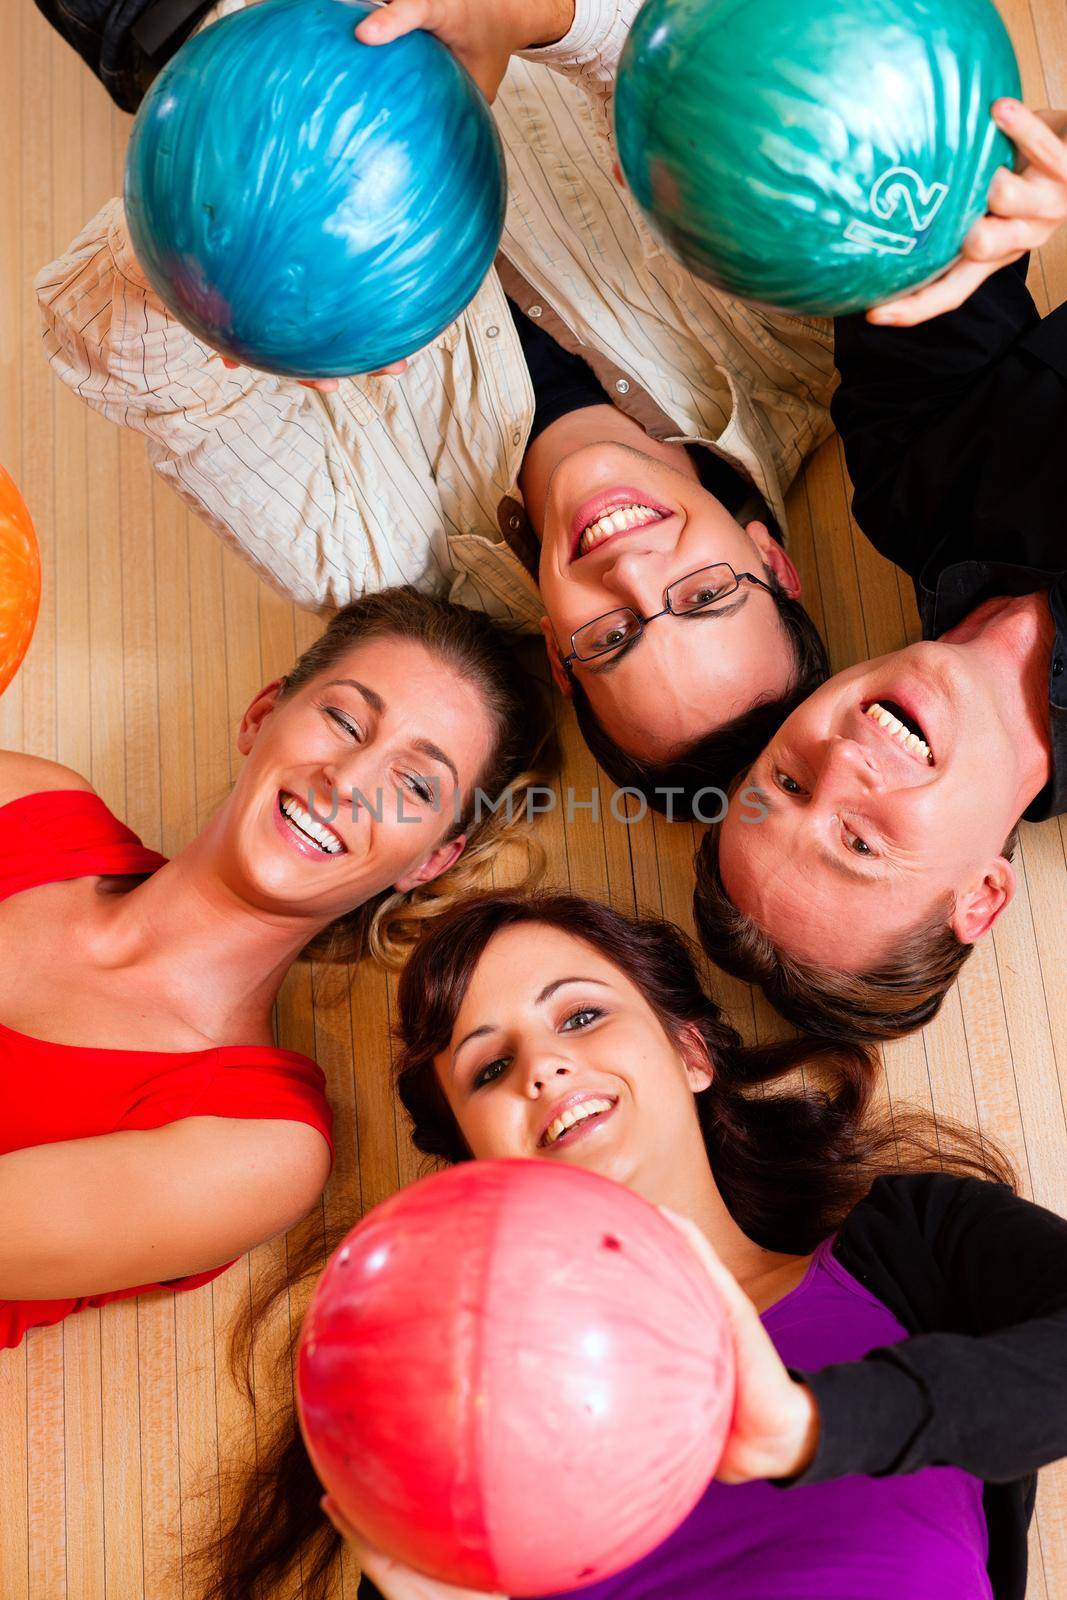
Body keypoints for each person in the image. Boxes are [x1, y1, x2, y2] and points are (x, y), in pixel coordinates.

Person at [35, 0, 846, 813]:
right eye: (706, 595)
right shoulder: (800, 342)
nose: (631, 571)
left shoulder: (371, 557)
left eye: (611, 639)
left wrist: (212, 296)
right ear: (770, 560)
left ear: (561, 666)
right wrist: (530, 15)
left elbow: (92, 329)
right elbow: (707, 53)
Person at [192, 890, 1067, 1600]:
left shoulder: (910, 1243)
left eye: (578, 1017)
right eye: (489, 1069)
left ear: (690, 1051)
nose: (541, 1067)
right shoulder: (446, 1451)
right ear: (473, 1169)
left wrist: (806, 1427)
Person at [0, 589, 548, 1348]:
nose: (349, 781)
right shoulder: (24, 801)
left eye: (416, 786)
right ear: (262, 715)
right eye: (345, 721)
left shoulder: (255, 1143)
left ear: (429, 860)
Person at [693, 108, 1067, 1044]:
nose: (842, 764)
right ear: (979, 896)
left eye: (783, 780)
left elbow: (910, 175)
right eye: (859, 842)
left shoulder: (906, 474)